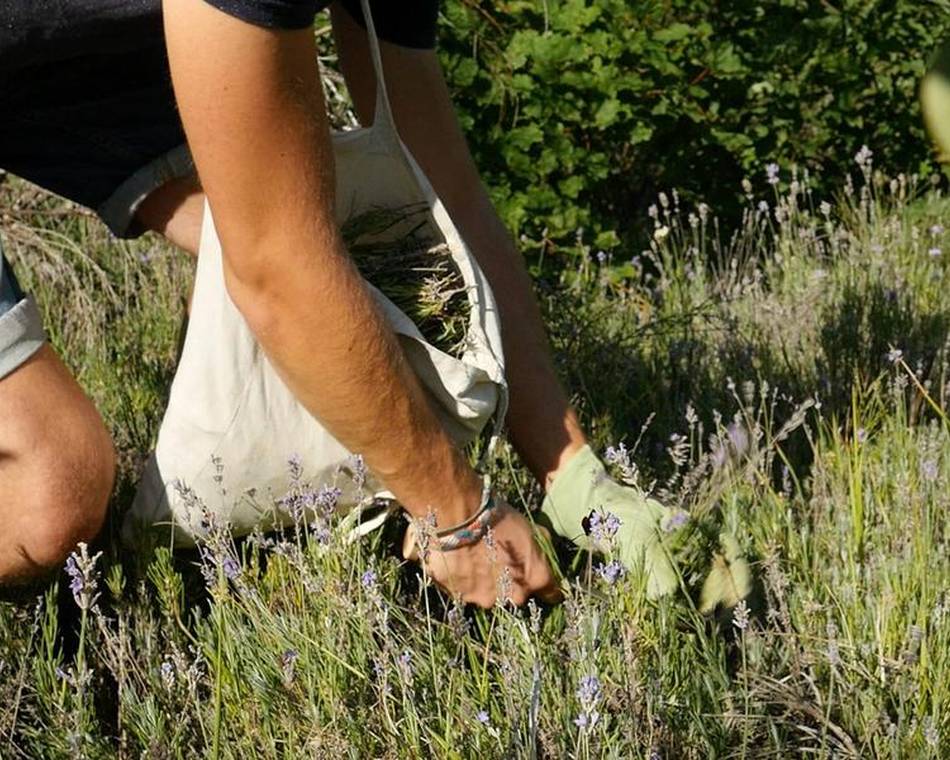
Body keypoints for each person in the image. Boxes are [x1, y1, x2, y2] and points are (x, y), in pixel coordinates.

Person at [0, 0, 712, 609]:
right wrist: (458, 517)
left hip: (75, 63)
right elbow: (276, 271)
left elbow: (445, 196)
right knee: (49, 497)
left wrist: (571, 471)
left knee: (361, 250)